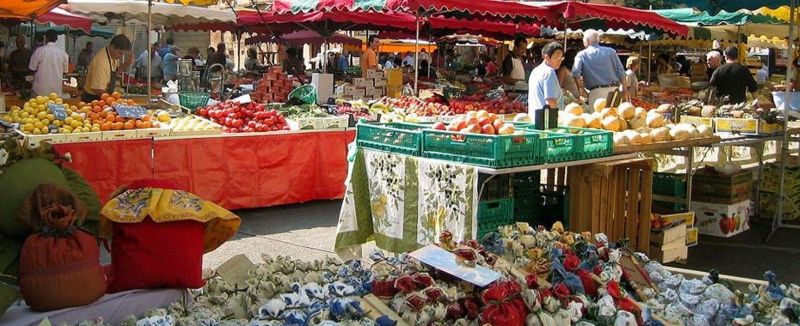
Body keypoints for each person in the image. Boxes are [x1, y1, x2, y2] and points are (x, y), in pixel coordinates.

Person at [572, 30, 627, 110]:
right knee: (614, 119)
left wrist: (582, 90)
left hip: (596, 93)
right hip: (614, 91)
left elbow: (575, 73)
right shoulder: (611, 52)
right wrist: (624, 91)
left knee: (597, 120)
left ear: (586, 41)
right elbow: (621, 72)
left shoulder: (581, 55)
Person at [83, 34, 132, 102]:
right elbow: (97, 89)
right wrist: (113, 100)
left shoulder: (112, 55)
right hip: (94, 100)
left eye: (123, 54)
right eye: (120, 53)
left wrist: (126, 64)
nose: (121, 57)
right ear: (112, 47)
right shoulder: (102, 62)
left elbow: (115, 72)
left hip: (104, 97)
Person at [29, 30, 68, 97]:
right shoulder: (63, 54)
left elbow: (32, 68)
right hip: (56, 92)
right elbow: (65, 72)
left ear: (46, 38)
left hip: (39, 91)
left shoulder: (39, 51)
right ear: (56, 39)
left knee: (36, 107)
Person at [528, 42, 564, 114]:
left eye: (561, 58)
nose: (559, 61)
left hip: (533, 118)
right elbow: (550, 101)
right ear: (547, 57)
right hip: (546, 121)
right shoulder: (549, 72)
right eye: (556, 58)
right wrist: (557, 118)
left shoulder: (535, 71)